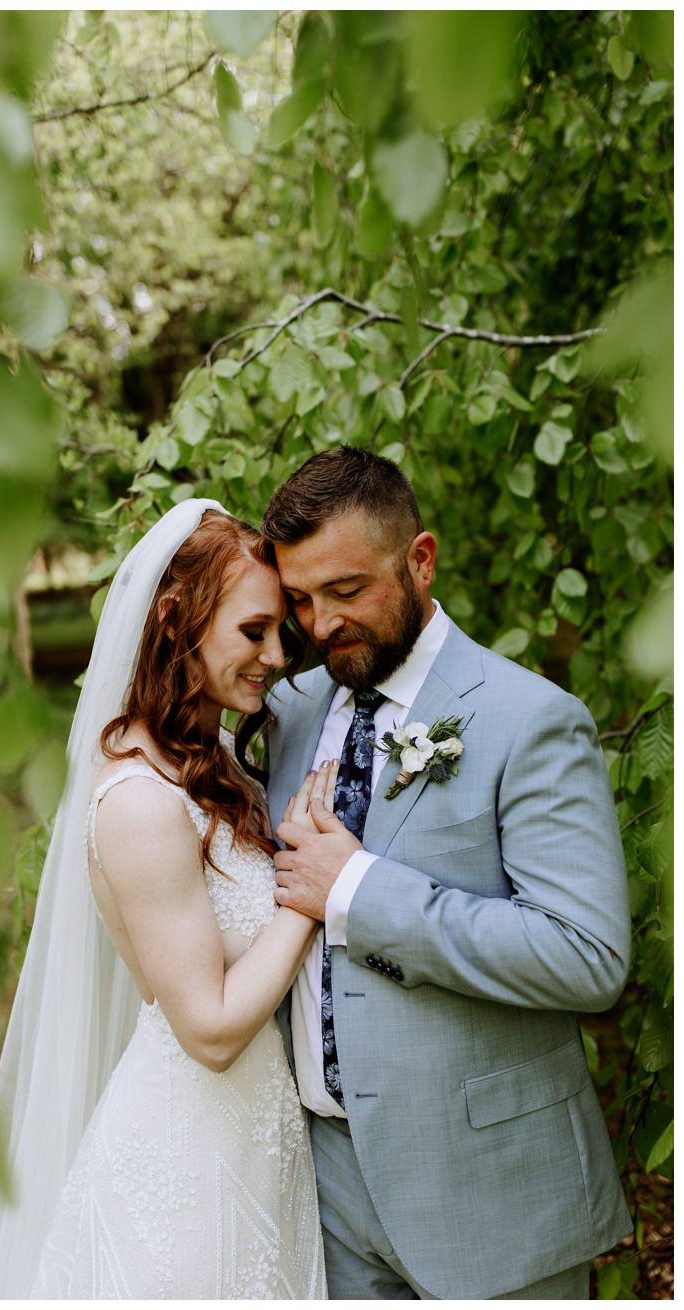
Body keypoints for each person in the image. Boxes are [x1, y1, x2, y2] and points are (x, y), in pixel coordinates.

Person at [260, 446, 630, 1299]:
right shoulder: (283, 713)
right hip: (322, 1189)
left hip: (493, 1192)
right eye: (301, 600)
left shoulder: (530, 720)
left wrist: (357, 890)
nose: (320, 625)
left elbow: (587, 956)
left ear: (420, 560)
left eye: (346, 591)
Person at [0, 500, 327, 1299]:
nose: (275, 656)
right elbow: (210, 1030)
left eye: (279, 632)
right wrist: (307, 897)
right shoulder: (140, 804)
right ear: (174, 622)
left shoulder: (209, 760)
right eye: (253, 631)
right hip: (187, 1168)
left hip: (254, 1140)